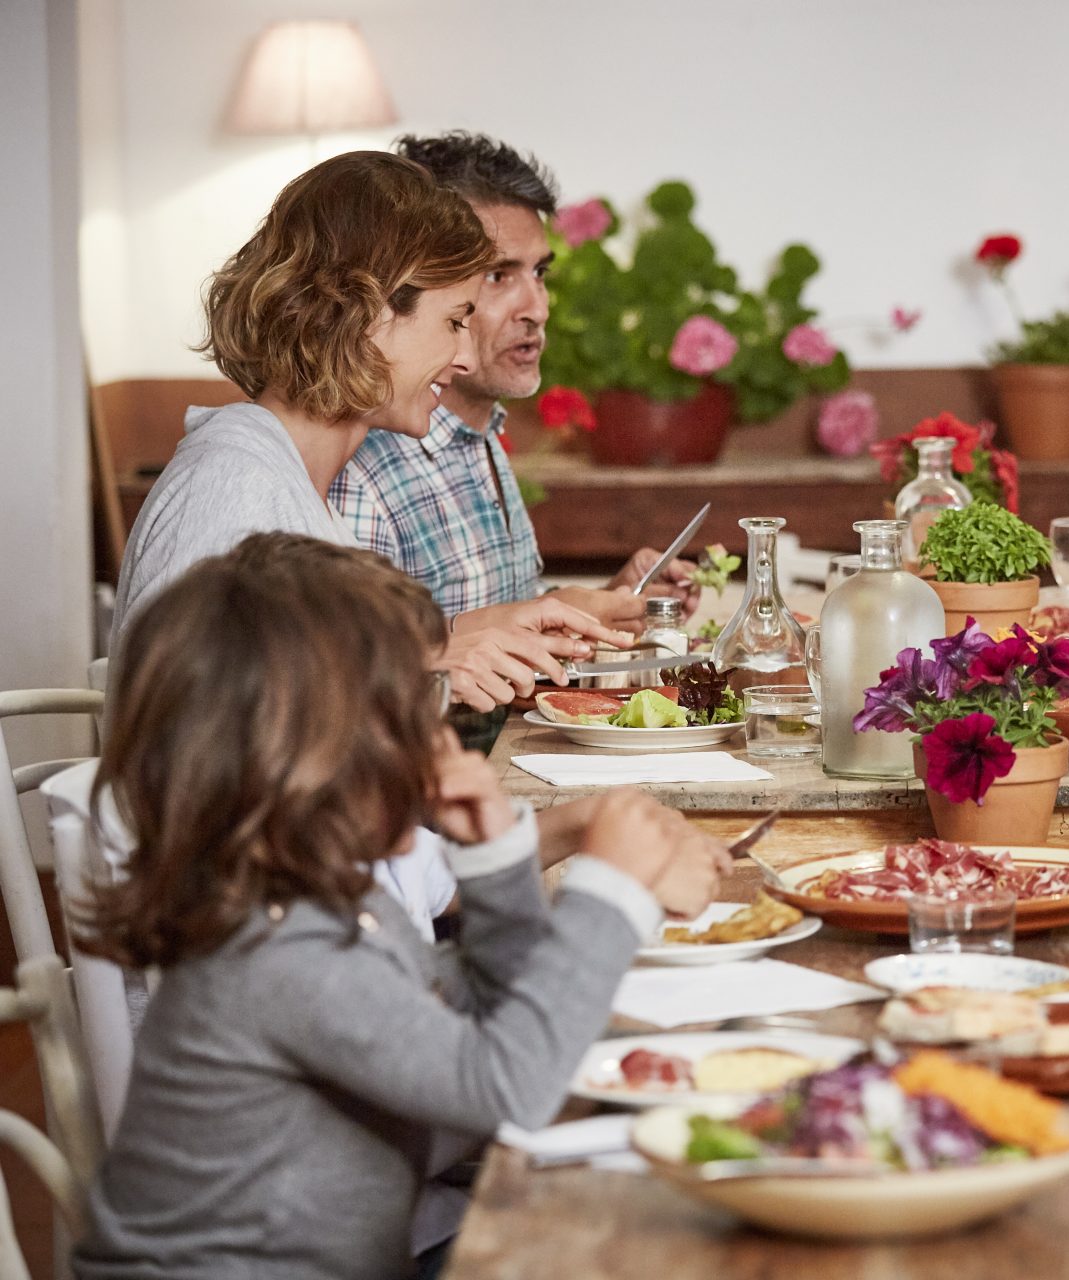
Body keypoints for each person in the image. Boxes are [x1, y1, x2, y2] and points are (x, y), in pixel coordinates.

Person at [73, 535, 730, 1280]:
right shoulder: (277, 953)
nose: (436, 733)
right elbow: (507, 1090)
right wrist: (610, 894)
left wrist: (496, 860)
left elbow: (489, 1027)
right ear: (317, 752)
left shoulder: (331, 900)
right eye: (416, 704)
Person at [111, 150, 625, 715]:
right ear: (365, 314)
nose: (461, 355)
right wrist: (427, 667)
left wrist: (454, 643)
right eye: (454, 321)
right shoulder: (232, 490)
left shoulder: (295, 488)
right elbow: (198, 749)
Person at [330, 132, 697, 631]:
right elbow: (360, 675)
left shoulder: (478, 433)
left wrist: (607, 603)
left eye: (540, 272)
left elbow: (492, 615)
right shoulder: (361, 469)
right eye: (499, 275)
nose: (538, 309)